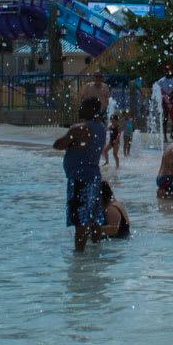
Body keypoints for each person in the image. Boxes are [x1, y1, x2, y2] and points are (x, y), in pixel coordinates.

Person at [54, 99, 107, 251]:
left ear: (92, 109)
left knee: (80, 219)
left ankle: (79, 256)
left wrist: (70, 143)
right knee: (95, 216)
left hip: (80, 178)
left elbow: (58, 144)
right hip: (94, 176)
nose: (80, 108)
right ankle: (96, 248)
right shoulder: (101, 127)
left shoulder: (80, 128)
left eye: (83, 106)